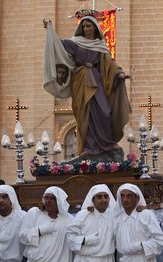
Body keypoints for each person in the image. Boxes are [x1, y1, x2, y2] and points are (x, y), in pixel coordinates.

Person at [43, 16, 131, 157]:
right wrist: (50, 30)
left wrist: (119, 74)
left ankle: (107, 145)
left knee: (105, 111)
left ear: (95, 28)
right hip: (81, 82)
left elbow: (110, 64)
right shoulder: (75, 43)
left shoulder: (100, 46)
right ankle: (89, 148)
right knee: (86, 115)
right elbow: (58, 46)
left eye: (88, 26)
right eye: (83, 26)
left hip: (96, 82)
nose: (85, 28)